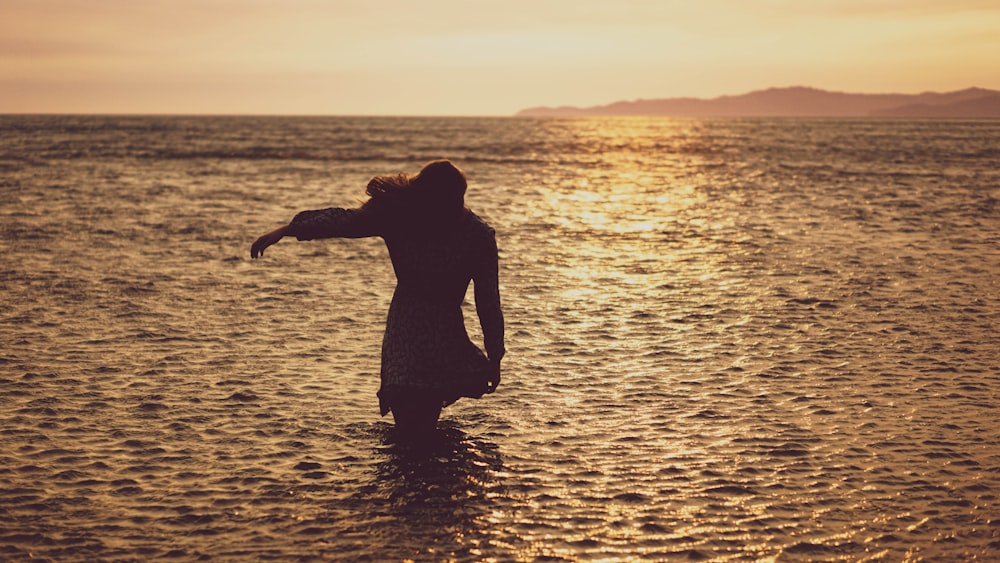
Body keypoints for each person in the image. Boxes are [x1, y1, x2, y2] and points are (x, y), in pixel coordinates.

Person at [250, 160, 504, 440]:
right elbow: (344, 221)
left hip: (444, 334)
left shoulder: (478, 235)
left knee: (421, 427)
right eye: (444, 201)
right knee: (407, 412)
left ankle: (426, 475)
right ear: (428, 198)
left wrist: (495, 355)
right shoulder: (403, 216)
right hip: (404, 329)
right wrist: (289, 229)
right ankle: (415, 476)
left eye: (457, 200)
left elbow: (488, 299)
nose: (453, 208)